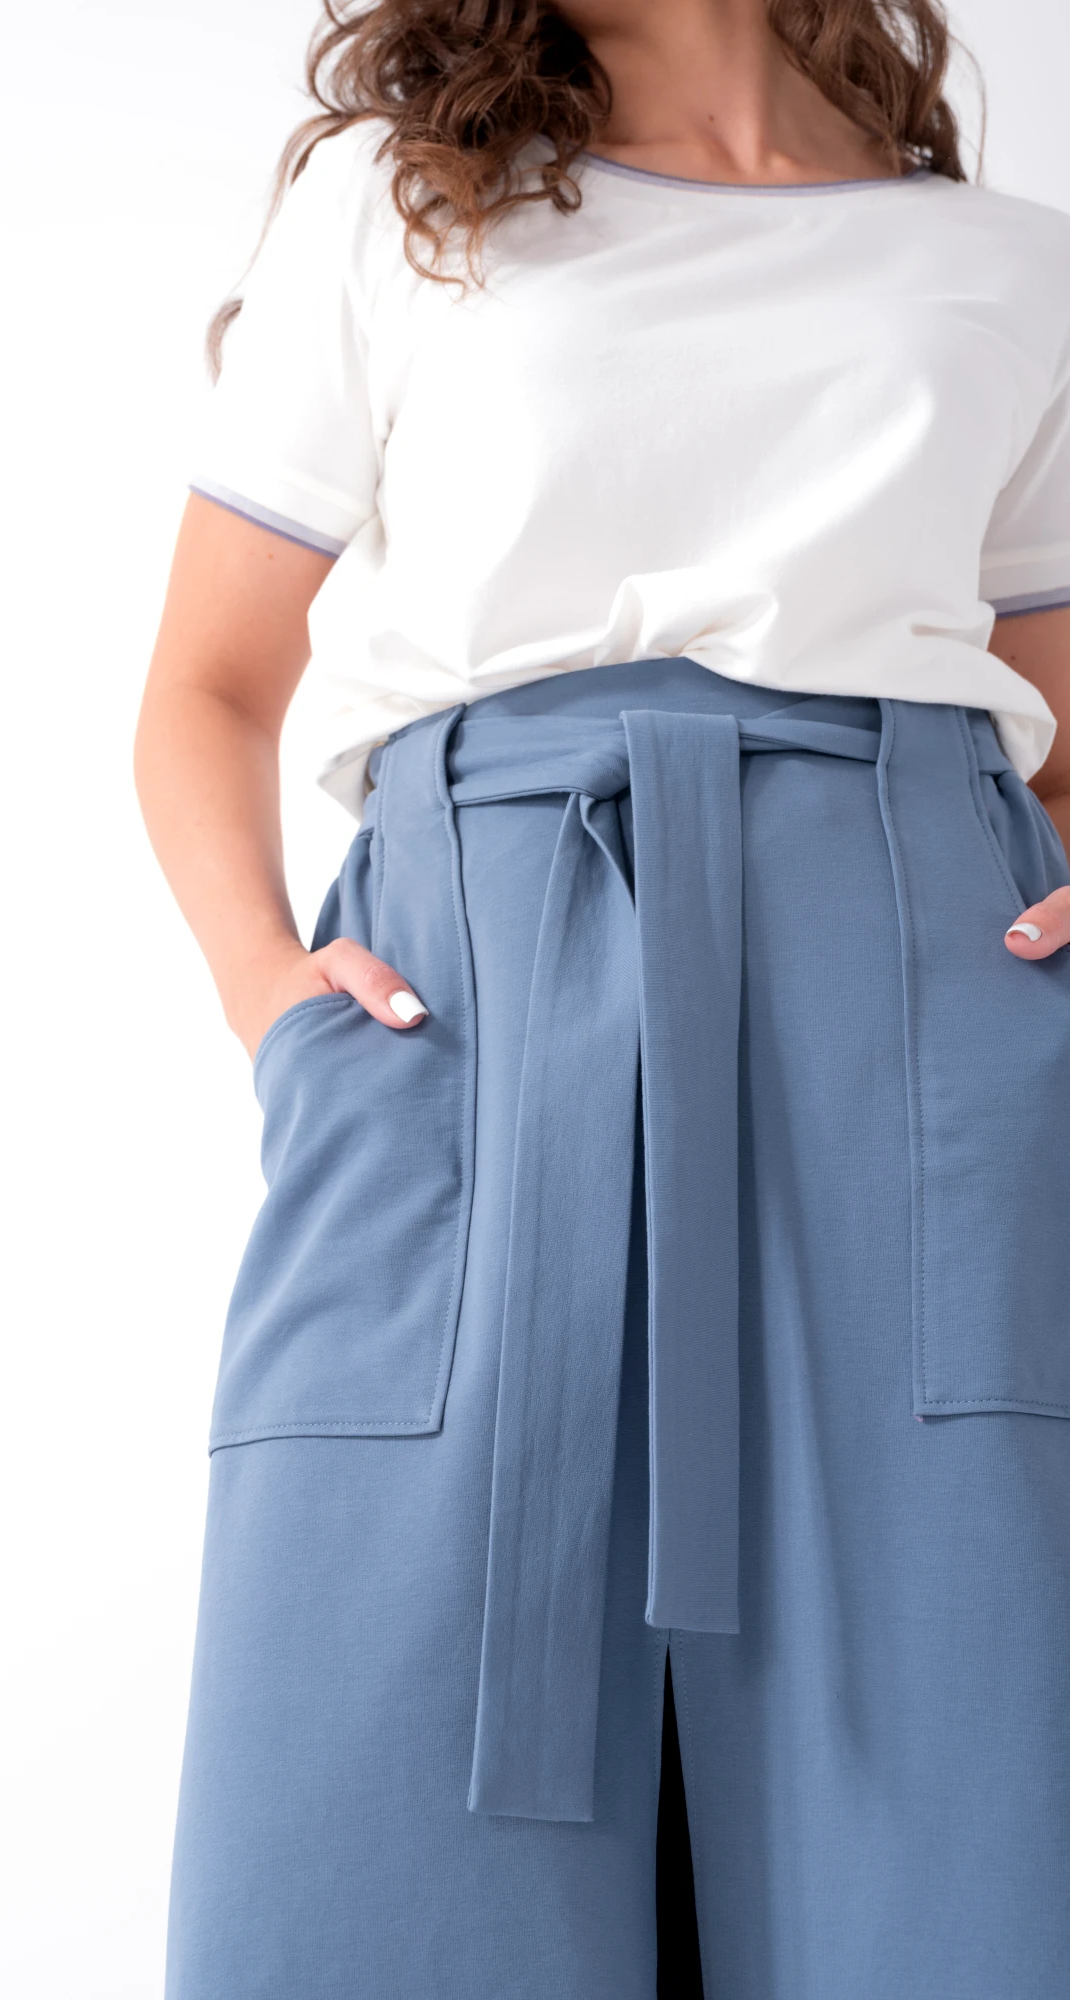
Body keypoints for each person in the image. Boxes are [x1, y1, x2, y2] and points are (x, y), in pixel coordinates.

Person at [133, 1, 1070, 1993]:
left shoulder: (1005, 265)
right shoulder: (406, 206)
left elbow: (1056, 727)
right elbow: (207, 685)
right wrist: (277, 1010)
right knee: (368, 1804)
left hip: (912, 1050)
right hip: (474, 1017)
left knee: (954, 1811)